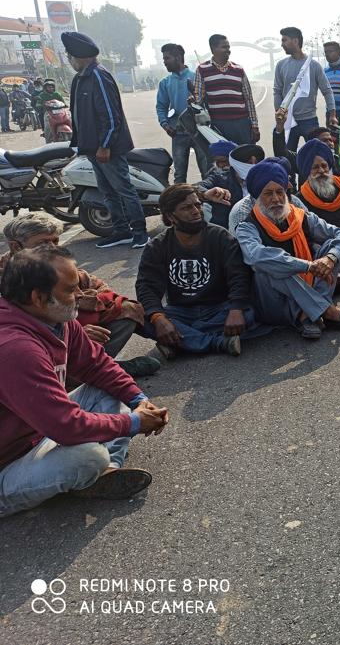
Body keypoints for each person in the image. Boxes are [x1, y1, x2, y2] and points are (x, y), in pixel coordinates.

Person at [0, 245, 170, 517]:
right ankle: (92, 471)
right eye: (70, 290)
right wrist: (135, 422)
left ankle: (107, 471)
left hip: (34, 433)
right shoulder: (15, 348)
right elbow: (65, 426)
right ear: (38, 298)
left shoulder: (54, 318)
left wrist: (140, 401)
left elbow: (97, 365)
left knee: (109, 392)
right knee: (87, 457)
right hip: (7, 463)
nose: (80, 295)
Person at [0, 213, 157, 376]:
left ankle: (95, 369)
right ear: (16, 247)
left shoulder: (55, 265)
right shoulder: (8, 280)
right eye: (43, 244)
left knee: (126, 308)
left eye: (55, 241)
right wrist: (72, 336)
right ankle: (90, 375)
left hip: (64, 335)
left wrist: (80, 327)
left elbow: (97, 286)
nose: (53, 249)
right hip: (28, 348)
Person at [235, 159, 340, 338]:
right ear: (257, 197)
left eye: (279, 192)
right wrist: (307, 266)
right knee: (270, 265)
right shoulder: (246, 227)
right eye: (268, 194)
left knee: (331, 247)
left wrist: (330, 258)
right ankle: (328, 312)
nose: (276, 199)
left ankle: (306, 315)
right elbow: (256, 256)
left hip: (308, 288)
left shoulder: (301, 216)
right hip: (274, 304)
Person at [137, 184, 269, 358]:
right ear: (170, 216)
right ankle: (218, 342)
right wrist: (159, 319)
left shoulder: (220, 237)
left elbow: (239, 276)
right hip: (180, 312)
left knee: (249, 313)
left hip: (219, 309)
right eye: (186, 208)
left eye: (197, 205)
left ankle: (180, 342)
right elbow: (146, 286)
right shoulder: (157, 246)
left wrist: (236, 309)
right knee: (136, 317)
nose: (196, 211)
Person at [62, 31, 149, 249]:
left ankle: (140, 232)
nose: (69, 60)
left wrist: (105, 145)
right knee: (107, 192)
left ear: (79, 56)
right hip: (93, 148)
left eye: (70, 56)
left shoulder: (98, 76)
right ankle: (122, 231)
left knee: (123, 190)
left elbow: (110, 116)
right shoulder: (82, 78)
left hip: (106, 148)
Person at [295, 138, 340, 289]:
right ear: (307, 171)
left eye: (324, 166)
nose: (321, 171)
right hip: (335, 252)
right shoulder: (300, 200)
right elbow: (309, 236)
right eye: (315, 168)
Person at [274, 27, 337, 151]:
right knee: (286, 157)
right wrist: (279, 113)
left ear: (296, 41)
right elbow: (277, 91)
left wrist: (332, 115)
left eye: (284, 40)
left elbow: (327, 91)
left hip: (309, 121)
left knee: (317, 154)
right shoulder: (281, 65)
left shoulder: (313, 66)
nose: (282, 44)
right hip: (288, 121)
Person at [156, 43, 210, 183]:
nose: (164, 62)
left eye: (167, 58)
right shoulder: (165, 83)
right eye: (164, 59)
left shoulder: (197, 78)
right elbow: (161, 107)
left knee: (207, 173)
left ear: (178, 57)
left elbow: (208, 104)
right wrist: (165, 124)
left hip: (200, 133)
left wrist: (197, 101)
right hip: (178, 134)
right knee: (179, 176)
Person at [194, 34, 260, 146]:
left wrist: (254, 125)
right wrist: (193, 100)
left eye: (228, 47)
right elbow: (198, 99)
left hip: (242, 124)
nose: (228, 50)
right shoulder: (202, 70)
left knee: (246, 158)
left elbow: (249, 100)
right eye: (224, 47)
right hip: (219, 125)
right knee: (224, 161)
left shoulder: (239, 69)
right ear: (213, 49)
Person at [34, 78, 65, 143]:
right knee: (47, 126)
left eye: (52, 87)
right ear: (45, 88)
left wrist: (65, 105)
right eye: (49, 87)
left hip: (59, 112)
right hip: (48, 113)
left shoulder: (57, 94)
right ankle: (47, 140)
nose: (51, 88)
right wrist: (39, 105)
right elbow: (38, 103)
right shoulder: (42, 95)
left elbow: (63, 101)